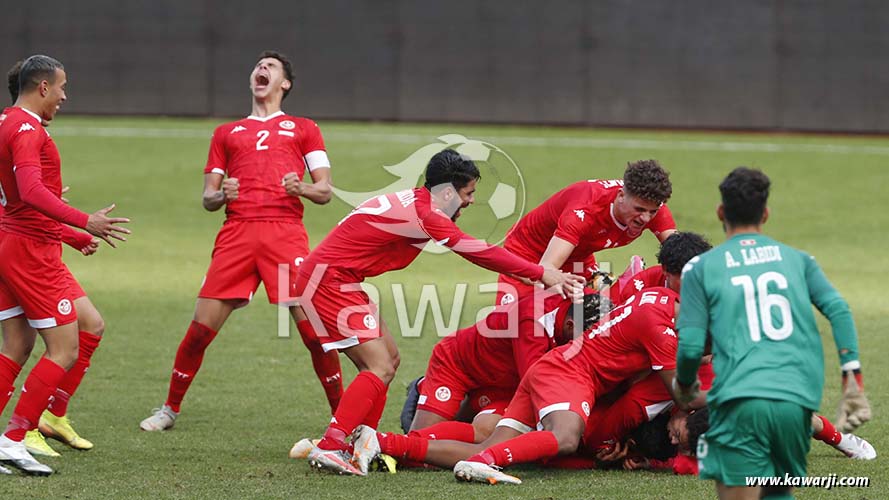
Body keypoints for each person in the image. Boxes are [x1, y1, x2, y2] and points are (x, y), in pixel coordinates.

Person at [298, 148, 584, 475]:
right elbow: (477, 251)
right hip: (329, 280)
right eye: (468, 193)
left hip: (335, 278)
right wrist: (540, 272)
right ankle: (332, 445)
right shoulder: (427, 214)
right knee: (378, 366)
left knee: (388, 359)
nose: (471, 201)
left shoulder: (417, 201)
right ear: (447, 192)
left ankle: (361, 443)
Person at [139, 50, 343, 432]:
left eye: (270, 68)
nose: (260, 70)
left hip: (284, 234)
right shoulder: (226, 133)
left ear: (285, 84)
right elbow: (207, 198)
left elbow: (326, 190)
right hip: (237, 234)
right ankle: (169, 409)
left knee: (315, 335)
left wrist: (301, 187)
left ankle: (342, 417)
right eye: (257, 66)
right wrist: (222, 195)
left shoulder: (303, 129)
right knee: (199, 330)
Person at [674, 167, 872, 499]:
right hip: (795, 404)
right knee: (777, 493)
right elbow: (839, 310)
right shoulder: (798, 260)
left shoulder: (701, 268)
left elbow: (692, 345)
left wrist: (684, 385)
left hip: (740, 402)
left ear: (721, 212)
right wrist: (852, 377)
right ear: (765, 213)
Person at [0, 54, 130, 475]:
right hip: (30, 253)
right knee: (65, 348)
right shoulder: (25, 129)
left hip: (17, 243)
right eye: (61, 87)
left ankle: (15, 438)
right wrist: (83, 220)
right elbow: (31, 192)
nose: (64, 95)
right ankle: (16, 438)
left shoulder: (6, 123)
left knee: (18, 346)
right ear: (42, 87)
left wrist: (73, 236)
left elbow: (19, 201)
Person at [495, 160, 676, 306]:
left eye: (652, 212)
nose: (645, 218)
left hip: (578, 257)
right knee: (515, 330)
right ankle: (622, 289)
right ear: (620, 196)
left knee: (588, 324)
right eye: (639, 209)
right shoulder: (585, 209)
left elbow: (683, 256)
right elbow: (545, 270)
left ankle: (621, 290)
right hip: (528, 255)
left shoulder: (654, 208)